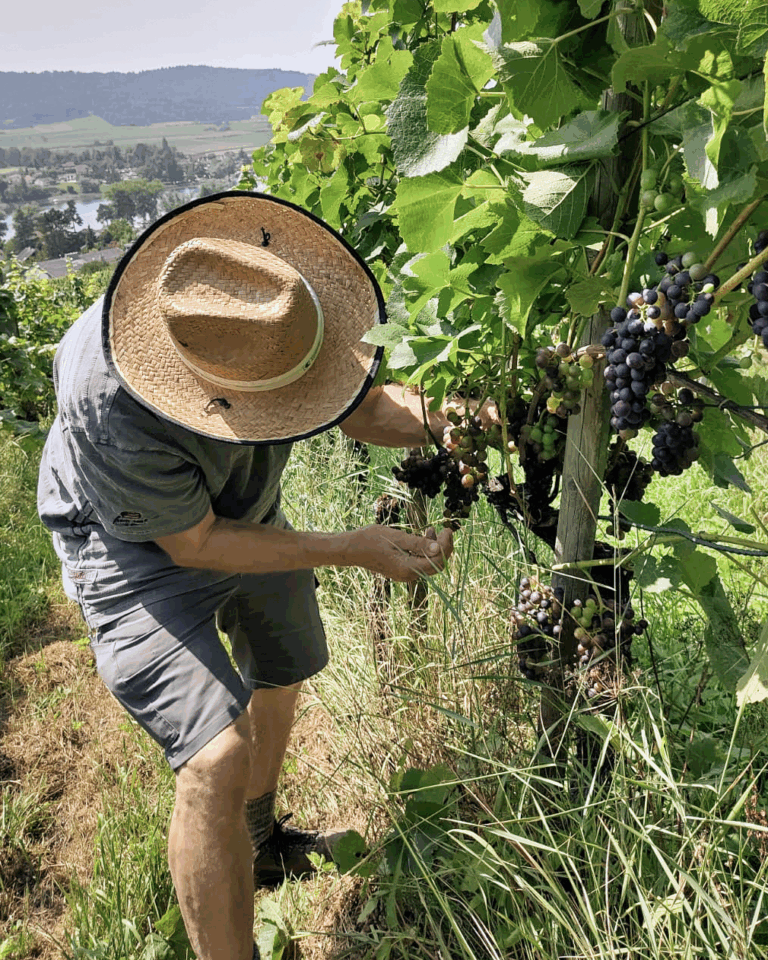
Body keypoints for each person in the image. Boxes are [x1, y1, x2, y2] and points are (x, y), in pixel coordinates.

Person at [36, 191, 484, 960]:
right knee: (216, 755)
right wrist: (350, 546)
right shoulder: (109, 397)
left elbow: (361, 409)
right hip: (128, 537)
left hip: (234, 503)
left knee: (284, 659)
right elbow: (196, 542)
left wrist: (467, 420)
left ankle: (262, 840)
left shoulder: (273, 307)